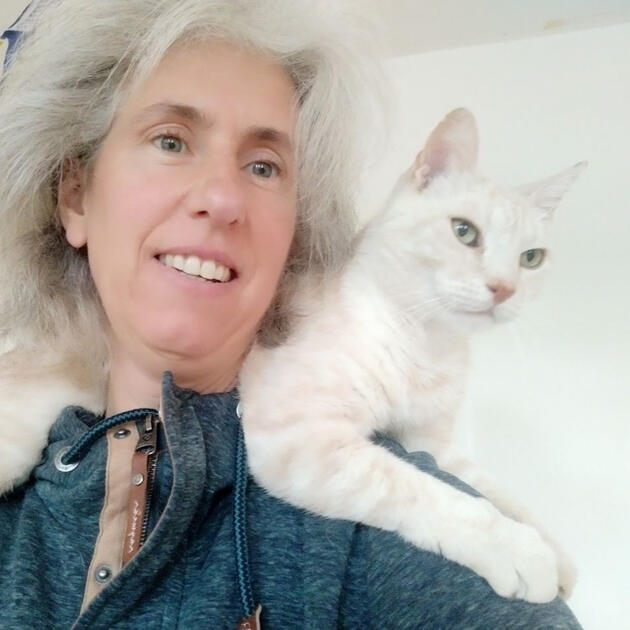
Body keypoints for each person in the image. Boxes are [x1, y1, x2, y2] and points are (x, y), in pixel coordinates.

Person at [0, 1, 584, 628]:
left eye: (263, 166)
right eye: (171, 141)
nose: (222, 198)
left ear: (295, 231)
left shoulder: (367, 538)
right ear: (75, 195)